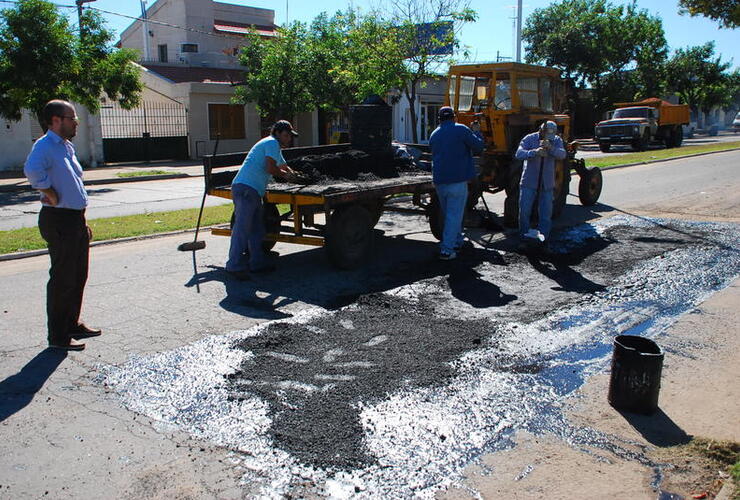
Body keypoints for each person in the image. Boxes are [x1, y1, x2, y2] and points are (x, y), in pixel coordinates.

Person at [24, 100, 102, 351]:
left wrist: (82, 220)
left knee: (79, 275)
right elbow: (32, 171)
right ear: (56, 120)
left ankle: (71, 324)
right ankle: (58, 337)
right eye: (72, 118)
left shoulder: (66, 147)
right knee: (62, 279)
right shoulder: (45, 146)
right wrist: (49, 192)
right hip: (58, 220)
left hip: (74, 220)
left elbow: (73, 184)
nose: (76, 122)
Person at [226, 120, 297, 279]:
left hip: (252, 191)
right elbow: (270, 168)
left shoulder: (273, 146)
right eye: (286, 135)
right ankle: (234, 266)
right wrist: (287, 176)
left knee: (257, 229)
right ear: (277, 133)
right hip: (246, 189)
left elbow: (283, 165)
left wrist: (295, 174)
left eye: (290, 137)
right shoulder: (272, 142)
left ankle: (257, 263)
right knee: (242, 228)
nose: (288, 139)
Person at [428, 106, 485, 260]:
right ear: (454, 117)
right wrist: (477, 131)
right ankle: (447, 249)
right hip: (457, 181)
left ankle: (457, 242)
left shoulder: (434, 134)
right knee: (454, 215)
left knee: (450, 214)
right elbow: (478, 147)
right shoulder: (462, 130)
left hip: (440, 181)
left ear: (439, 119)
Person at [514, 120, 566, 250]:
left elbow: (563, 154)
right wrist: (534, 152)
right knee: (524, 211)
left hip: (547, 183)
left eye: (552, 136)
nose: (549, 138)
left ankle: (544, 239)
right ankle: (524, 238)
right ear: (541, 130)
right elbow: (518, 154)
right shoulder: (529, 138)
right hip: (529, 182)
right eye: (547, 134)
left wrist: (551, 148)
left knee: (545, 213)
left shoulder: (556, 140)